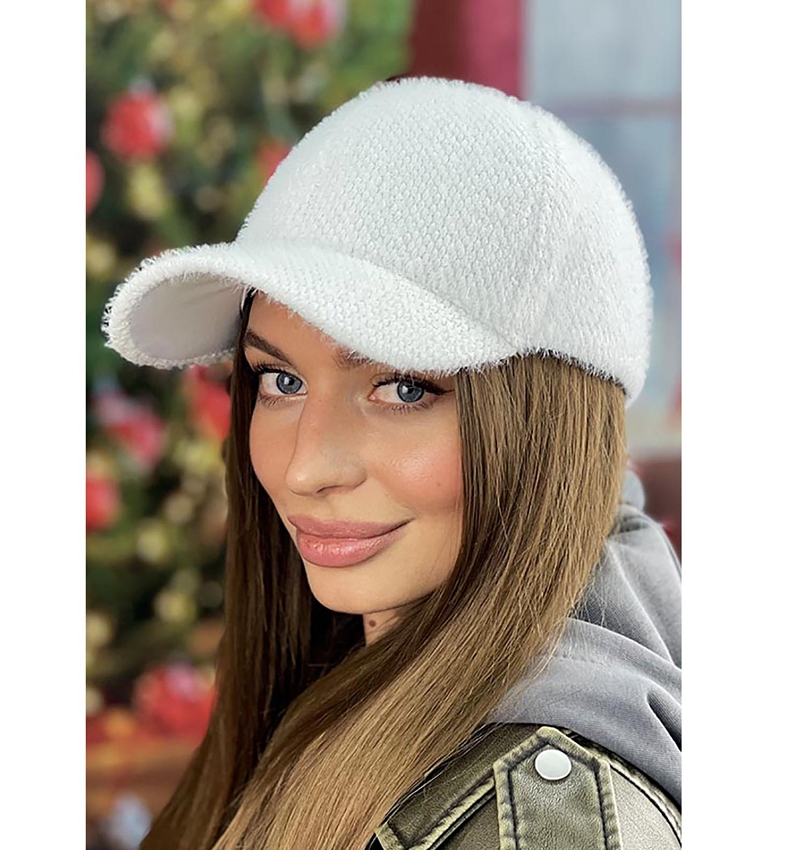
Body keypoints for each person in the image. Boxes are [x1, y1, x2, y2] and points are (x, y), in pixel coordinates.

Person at [101, 76, 681, 849]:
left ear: (548, 426)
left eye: (403, 388)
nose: (305, 468)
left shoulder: (541, 824)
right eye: (280, 381)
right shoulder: (347, 682)